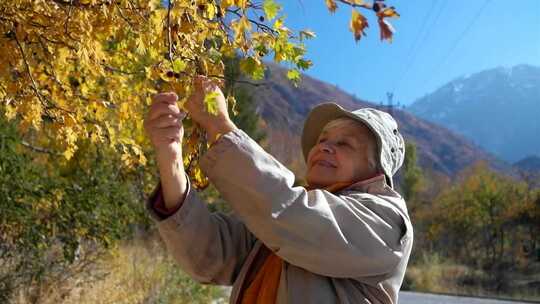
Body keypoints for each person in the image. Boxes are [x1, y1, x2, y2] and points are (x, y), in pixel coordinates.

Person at [143, 76, 413, 304]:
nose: (325, 147)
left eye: (345, 144)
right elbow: (209, 256)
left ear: (376, 170)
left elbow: (292, 214)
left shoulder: (387, 221)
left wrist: (221, 126)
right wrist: (171, 159)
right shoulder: (276, 226)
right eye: (323, 139)